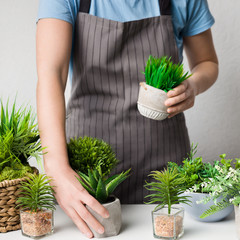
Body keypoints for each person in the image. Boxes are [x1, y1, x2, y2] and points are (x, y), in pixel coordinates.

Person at [36, 0, 218, 238]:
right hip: (88, 171)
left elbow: (207, 62)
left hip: (165, 166)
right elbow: (51, 73)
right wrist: (57, 169)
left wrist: (192, 85)